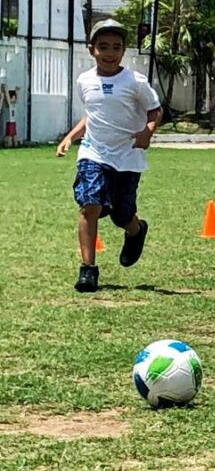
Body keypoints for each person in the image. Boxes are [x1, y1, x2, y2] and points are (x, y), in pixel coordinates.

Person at [56, 19, 162, 292]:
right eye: (103, 47)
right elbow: (91, 116)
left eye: (116, 47)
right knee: (90, 205)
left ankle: (135, 230)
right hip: (94, 152)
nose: (109, 53)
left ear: (124, 51)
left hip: (128, 156)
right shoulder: (84, 81)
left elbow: (155, 111)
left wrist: (147, 133)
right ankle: (88, 270)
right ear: (91, 49)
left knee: (121, 215)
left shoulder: (135, 82)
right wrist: (71, 137)